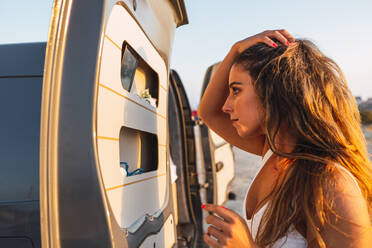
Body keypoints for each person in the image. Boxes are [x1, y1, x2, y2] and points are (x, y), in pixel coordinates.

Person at [198, 30, 372, 247]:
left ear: (272, 90)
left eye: (236, 90)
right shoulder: (272, 151)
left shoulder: (332, 186)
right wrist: (236, 49)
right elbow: (208, 113)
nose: (226, 105)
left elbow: (211, 112)